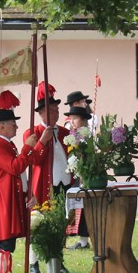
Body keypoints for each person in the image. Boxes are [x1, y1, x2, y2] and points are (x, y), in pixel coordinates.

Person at [0, 91, 43, 273]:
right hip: (2, 199)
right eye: (12, 123)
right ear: (1, 126)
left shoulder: (7, 144)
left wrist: (28, 192)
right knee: (4, 240)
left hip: (10, 197)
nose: (16, 127)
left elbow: (20, 172)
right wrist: (27, 148)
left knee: (8, 240)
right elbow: (14, 168)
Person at [24, 83, 72, 273]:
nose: (56, 112)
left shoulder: (64, 132)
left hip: (64, 184)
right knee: (40, 223)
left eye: (57, 109)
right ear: (42, 113)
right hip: (44, 186)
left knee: (61, 222)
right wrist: (43, 140)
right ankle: (34, 263)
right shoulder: (32, 133)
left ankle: (57, 259)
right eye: (52, 110)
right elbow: (33, 159)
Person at [62, 106, 93, 250]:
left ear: (83, 120)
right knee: (80, 208)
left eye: (75, 119)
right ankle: (82, 239)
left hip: (84, 175)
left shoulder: (85, 136)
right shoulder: (74, 135)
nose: (72, 122)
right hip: (76, 173)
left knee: (85, 207)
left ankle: (84, 239)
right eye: (71, 119)